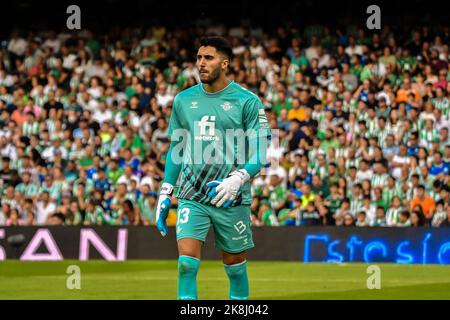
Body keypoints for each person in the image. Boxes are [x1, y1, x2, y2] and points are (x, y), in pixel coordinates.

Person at [155, 37, 270, 300]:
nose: (201, 63)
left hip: (230, 194)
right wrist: (165, 191)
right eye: (199, 58)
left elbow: (261, 153)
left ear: (225, 63)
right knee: (186, 263)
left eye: (209, 58)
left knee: (235, 268)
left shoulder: (247, 101)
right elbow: (177, 147)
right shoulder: (184, 100)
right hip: (191, 192)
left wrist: (239, 178)